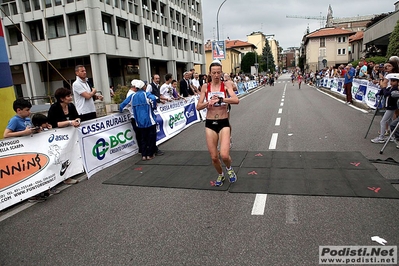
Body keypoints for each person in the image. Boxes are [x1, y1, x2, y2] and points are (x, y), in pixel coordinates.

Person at [196, 60, 239, 187]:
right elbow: (198, 106)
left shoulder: (226, 85)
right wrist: (207, 103)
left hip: (223, 122)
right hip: (210, 123)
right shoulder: (205, 87)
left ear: (221, 73)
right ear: (209, 73)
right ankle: (220, 174)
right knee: (214, 157)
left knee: (224, 155)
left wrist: (222, 99)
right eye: (214, 73)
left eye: (218, 72)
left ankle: (229, 169)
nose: (216, 75)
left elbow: (236, 100)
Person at [47, 87, 81, 185]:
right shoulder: (54, 108)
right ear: (61, 98)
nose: (70, 97)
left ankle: (72, 172)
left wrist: (77, 121)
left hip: (70, 134)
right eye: (68, 96)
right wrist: (70, 122)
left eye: (70, 95)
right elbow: (54, 123)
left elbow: (77, 116)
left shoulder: (71, 106)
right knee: (61, 156)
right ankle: (65, 177)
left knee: (71, 152)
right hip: (58, 136)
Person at [131, 80, 158, 161]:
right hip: (149, 120)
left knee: (143, 138)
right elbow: (153, 98)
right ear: (144, 87)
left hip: (139, 121)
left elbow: (123, 104)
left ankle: (144, 155)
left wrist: (121, 110)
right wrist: (154, 107)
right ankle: (150, 155)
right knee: (151, 137)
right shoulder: (146, 94)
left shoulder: (133, 96)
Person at [371, 73, 399, 143]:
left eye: (394, 81)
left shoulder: (396, 90)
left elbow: (387, 93)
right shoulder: (390, 88)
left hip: (391, 107)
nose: (392, 82)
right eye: (391, 81)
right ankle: (392, 136)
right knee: (390, 122)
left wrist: (383, 88)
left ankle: (381, 137)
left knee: (383, 121)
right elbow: (383, 92)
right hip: (388, 106)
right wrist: (379, 92)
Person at [120, 81, 142, 153]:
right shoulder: (131, 94)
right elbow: (124, 104)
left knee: (140, 133)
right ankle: (141, 149)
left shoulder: (133, 94)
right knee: (139, 133)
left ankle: (142, 149)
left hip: (136, 116)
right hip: (135, 116)